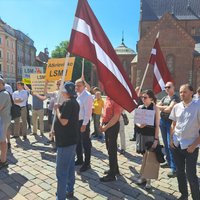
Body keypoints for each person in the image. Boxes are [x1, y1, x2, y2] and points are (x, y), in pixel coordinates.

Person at [169, 84, 200, 200]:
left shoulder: (198, 106)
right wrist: (171, 140)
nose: (182, 94)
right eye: (181, 92)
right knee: (180, 172)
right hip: (177, 145)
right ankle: (184, 195)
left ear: (191, 92)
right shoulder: (177, 107)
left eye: (185, 92)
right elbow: (173, 124)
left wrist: (194, 145)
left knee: (191, 175)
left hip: (190, 147)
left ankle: (196, 197)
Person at [54, 82, 79, 200]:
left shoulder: (69, 103)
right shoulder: (73, 102)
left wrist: (57, 110)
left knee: (61, 172)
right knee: (69, 168)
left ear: (66, 91)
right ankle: (69, 190)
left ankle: (61, 196)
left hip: (65, 142)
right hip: (70, 139)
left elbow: (64, 121)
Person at [136, 90, 160, 189]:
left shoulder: (155, 108)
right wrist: (140, 125)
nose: (143, 99)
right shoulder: (140, 107)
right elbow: (136, 121)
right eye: (142, 97)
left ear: (151, 98)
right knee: (144, 157)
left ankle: (148, 179)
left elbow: (157, 125)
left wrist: (156, 139)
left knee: (150, 158)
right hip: (142, 135)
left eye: (145, 97)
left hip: (150, 136)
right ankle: (143, 177)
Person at [157, 82, 180, 177]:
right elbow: (158, 106)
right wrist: (163, 107)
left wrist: (161, 107)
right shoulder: (164, 97)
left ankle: (174, 168)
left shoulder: (175, 98)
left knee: (171, 144)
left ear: (173, 88)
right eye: (165, 87)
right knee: (165, 144)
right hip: (162, 121)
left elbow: (169, 109)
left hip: (170, 123)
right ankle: (168, 162)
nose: (167, 88)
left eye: (169, 87)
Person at [99, 96, 122, 182]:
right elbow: (104, 112)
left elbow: (116, 117)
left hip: (112, 126)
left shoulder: (116, 100)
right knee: (110, 149)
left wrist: (105, 127)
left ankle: (112, 175)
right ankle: (114, 169)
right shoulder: (108, 98)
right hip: (106, 125)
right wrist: (102, 123)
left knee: (112, 150)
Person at [75, 78, 93, 172]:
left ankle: (87, 163)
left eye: (79, 85)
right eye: (76, 85)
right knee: (77, 141)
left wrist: (84, 124)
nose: (77, 87)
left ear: (84, 86)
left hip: (83, 122)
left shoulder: (87, 96)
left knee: (86, 143)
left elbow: (88, 112)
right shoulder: (77, 95)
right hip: (77, 122)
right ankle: (79, 159)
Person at [0, 78, 12, 169]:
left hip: (3, 120)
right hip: (3, 120)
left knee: (2, 141)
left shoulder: (3, 94)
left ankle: (3, 161)